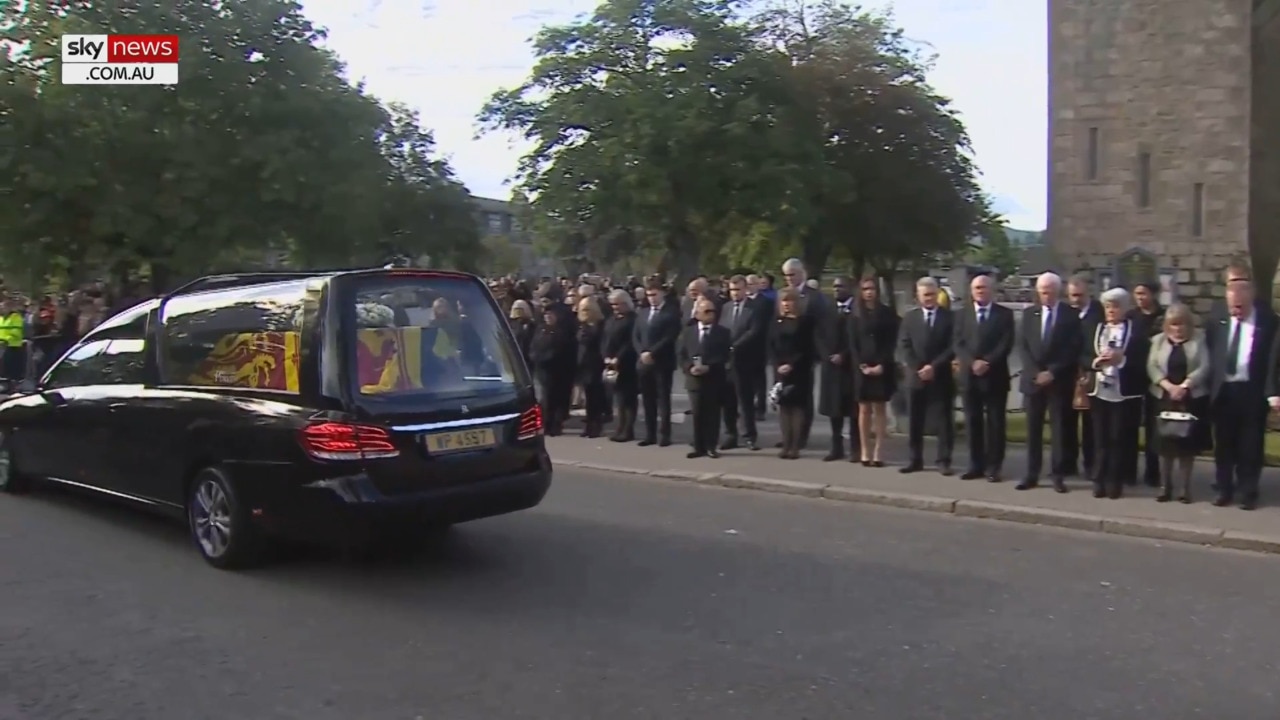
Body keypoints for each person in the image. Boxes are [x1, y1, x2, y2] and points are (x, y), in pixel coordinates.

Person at [1213, 279, 1278, 510]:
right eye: (1232, 305)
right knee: (1223, 444)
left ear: (1250, 297)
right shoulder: (1218, 319)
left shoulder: (1268, 322)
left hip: (1252, 391)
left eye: (1239, 305)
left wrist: (1273, 392)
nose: (1235, 310)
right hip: (1224, 391)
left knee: (1250, 446)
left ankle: (1248, 491)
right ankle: (1223, 488)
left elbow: (1273, 360)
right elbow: (1211, 351)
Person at [1081, 287, 1150, 499]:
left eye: (1116, 306)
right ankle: (1098, 479)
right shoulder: (1097, 328)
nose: (1111, 311)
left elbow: (1142, 359)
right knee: (1100, 438)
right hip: (1099, 389)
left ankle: (1115, 481)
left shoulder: (1135, 330)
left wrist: (1123, 360)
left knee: (1117, 438)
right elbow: (1082, 354)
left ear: (1125, 309)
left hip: (1123, 392)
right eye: (1108, 306)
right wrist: (1095, 362)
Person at [1015, 272, 1080, 493]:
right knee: (1033, 429)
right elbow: (1023, 346)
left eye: (1049, 292)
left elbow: (1073, 348)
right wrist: (1036, 372)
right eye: (1042, 292)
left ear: (1058, 291)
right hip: (1033, 381)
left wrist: (1052, 371)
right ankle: (1031, 473)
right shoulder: (1029, 314)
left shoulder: (1070, 315)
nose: (1045, 296)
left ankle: (1057, 474)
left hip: (1058, 381)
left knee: (1059, 430)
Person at [952, 273, 1016, 482]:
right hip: (969, 377)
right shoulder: (961, 315)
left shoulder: (1004, 315)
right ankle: (975, 465)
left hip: (995, 375)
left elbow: (1006, 343)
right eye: (977, 288)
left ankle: (994, 466)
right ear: (972, 292)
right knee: (973, 421)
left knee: (996, 423)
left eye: (984, 288)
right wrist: (972, 362)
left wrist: (986, 361)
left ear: (992, 290)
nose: (980, 291)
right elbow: (958, 343)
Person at [1145, 303, 1211, 503]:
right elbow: (1152, 365)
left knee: (1186, 447)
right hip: (1164, 397)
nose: (1178, 329)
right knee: (1166, 446)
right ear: (1167, 325)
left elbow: (1204, 366)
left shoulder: (1199, 340)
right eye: (1173, 324)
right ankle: (1165, 487)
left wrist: (1185, 386)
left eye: (1181, 324)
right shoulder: (1158, 341)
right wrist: (1167, 386)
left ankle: (1184, 488)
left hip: (1190, 398)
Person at [898, 277, 955, 475]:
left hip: (941, 376)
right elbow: (904, 345)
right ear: (918, 296)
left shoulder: (949, 318)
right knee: (915, 419)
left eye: (932, 294)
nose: (929, 298)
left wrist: (934, 367)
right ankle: (915, 459)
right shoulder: (910, 317)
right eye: (925, 295)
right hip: (916, 377)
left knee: (944, 420)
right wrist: (918, 367)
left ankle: (944, 460)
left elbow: (953, 347)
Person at [848, 275, 899, 466]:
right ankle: (864, 450)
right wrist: (861, 365)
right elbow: (852, 343)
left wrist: (881, 365)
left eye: (872, 289)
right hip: (861, 367)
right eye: (865, 289)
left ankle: (879, 451)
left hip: (881, 366)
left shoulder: (886, 313)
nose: (869, 292)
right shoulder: (855, 314)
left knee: (879, 408)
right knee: (863, 409)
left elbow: (891, 342)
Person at [632, 279, 682, 447]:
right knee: (648, 399)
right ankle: (650, 434)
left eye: (655, 294)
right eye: (649, 295)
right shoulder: (643, 312)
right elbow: (635, 335)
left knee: (663, 400)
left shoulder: (671, 313)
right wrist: (642, 352)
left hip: (662, 362)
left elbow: (670, 337)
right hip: (644, 362)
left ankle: (664, 435)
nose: (652, 298)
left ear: (662, 293)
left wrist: (652, 352)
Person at [679, 298, 731, 458]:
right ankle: (698, 446)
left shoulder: (722, 332)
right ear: (697, 314)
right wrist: (689, 367)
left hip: (713, 378)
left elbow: (725, 355)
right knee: (697, 413)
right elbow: (681, 354)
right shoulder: (688, 332)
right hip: (694, 379)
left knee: (712, 414)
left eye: (713, 311)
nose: (711, 314)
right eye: (707, 311)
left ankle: (711, 446)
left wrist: (709, 366)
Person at [719, 275, 765, 451]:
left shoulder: (754, 309)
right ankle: (731, 434)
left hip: (744, 361)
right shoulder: (726, 308)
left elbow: (754, 332)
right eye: (732, 290)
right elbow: (721, 329)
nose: (734, 293)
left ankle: (749, 436)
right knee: (727, 401)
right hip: (725, 363)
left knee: (745, 401)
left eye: (738, 290)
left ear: (746, 289)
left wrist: (734, 346)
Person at [769, 288, 814, 459]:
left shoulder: (805, 322)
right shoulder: (775, 321)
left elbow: (807, 347)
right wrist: (778, 364)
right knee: (784, 407)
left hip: (799, 370)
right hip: (780, 370)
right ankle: (785, 443)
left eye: (790, 301)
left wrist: (792, 364)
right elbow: (770, 345)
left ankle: (795, 445)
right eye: (783, 301)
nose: (787, 304)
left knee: (797, 408)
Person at [1129, 281, 1166, 487]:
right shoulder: (1131, 316)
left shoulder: (1163, 317)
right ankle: (1129, 471)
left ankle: (1153, 473)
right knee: (1131, 425)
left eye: (1143, 293)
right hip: (1134, 376)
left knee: (1153, 427)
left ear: (1153, 294)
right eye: (1137, 294)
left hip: (1156, 377)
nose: (1140, 298)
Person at [817, 276, 858, 462]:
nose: (837, 289)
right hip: (831, 367)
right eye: (834, 286)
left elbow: (859, 338)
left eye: (841, 286)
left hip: (851, 367)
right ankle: (836, 448)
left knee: (854, 410)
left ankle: (856, 449)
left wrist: (845, 354)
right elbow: (818, 335)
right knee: (834, 410)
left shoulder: (858, 310)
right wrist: (827, 355)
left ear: (850, 288)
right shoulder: (827, 309)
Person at [1065, 274, 1102, 478]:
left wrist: (1087, 367)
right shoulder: (1065, 314)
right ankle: (1069, 463)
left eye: (1079, 295)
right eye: (1072, 295)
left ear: (1087, 292)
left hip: (1091, 374)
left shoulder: (1099, 314)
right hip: (1067, 374)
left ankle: (1091, 465)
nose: (1076, 300)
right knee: (1067, 421)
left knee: (1091, 424)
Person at [528, 307, 576, 435]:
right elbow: (533, 346)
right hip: (540, 369)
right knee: (543, 399)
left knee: (555, 399)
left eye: (551, 314)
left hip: (556, 370)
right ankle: (546, 424)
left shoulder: (562, 332)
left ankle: (556, 424)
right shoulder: (540, 329)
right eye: (546, 314)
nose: (548, 317)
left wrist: (544, 358)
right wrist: (534, 357)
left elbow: (559, 351)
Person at [603, 289, 639, 442]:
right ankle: (620, 427)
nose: (615, 307)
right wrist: (605, 356)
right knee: (618, 398)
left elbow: (630, 342)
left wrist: (619, 357)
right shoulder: (611, 319)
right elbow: (604, 339)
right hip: (610, 364)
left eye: (618, 304)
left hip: (627, 363)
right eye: (613, 304)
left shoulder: (632, 320)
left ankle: (628, 429)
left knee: (628, 399)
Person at [576, 297, 608, 438]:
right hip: (583, 364)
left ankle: (597, 424)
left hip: (596, 363)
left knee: (596, 397)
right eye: (582, 309)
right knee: (588, 397)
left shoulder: (601, 325)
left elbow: (598, 342)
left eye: (588, 309)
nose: (585, 312)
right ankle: (589, 424)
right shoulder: (582, 325)